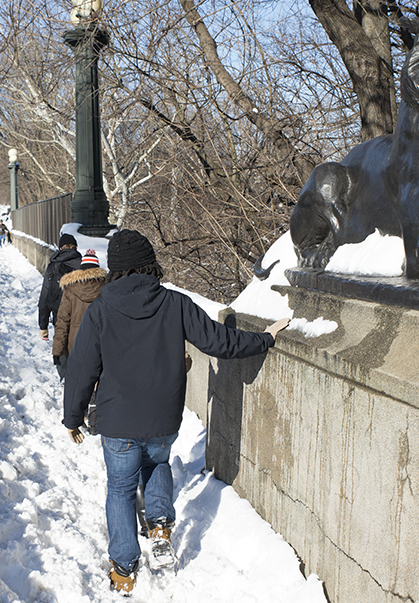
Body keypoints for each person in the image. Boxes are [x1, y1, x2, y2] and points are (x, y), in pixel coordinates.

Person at [62, 229, 288, 594]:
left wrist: (73, 418)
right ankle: (160, 526)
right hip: (163, 416)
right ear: (150, 264)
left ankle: (123, 568)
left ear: (114, 268)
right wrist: (266, 337)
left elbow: (81, 369)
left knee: (120, 489)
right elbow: (220, 341)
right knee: (157, 464)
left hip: (118, 420)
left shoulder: (101, 309)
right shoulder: (175, 303)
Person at [52, 249, 105, 383]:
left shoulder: (70, 289)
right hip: (101, 340)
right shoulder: (108, 288)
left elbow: (62, 322)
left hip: (75, 342)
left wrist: (57, 351)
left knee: (79, 379)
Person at [37, 233, 81, 342]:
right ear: (76, 247)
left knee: (61, 351)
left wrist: (43, 326)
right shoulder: (84, 265)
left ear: (60, 248)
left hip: (60, 317)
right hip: (81, 319)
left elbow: (45, 295)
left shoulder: (53, 267)